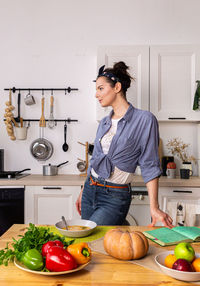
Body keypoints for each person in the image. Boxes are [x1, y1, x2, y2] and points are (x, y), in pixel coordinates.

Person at [76, 61, 173, 228]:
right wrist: (83, 190)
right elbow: (95, 160)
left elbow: (149, 164)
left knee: (92, 238)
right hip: (90, 190)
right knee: (93, 245)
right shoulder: (104, 123)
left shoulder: (144, 120)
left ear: (117, 87)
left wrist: (154, 207)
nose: (96, 94)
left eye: (100, 88)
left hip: (114, 195)